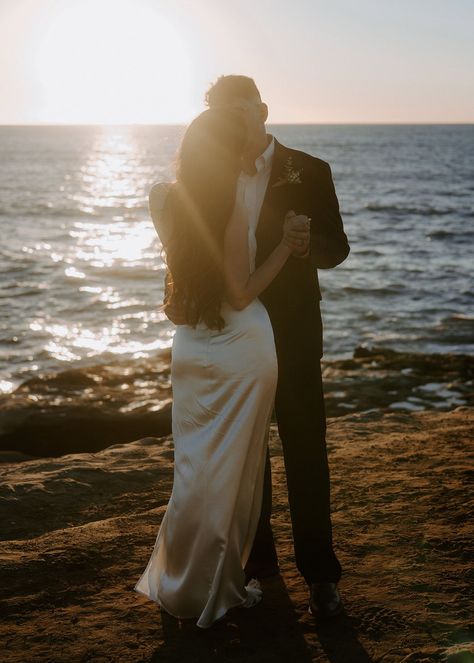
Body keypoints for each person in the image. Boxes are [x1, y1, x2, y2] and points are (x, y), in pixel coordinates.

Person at [163, 75, 351, 619]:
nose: (233, 120)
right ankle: (259, 567)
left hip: (292, 334)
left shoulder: (309, 170)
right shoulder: (210, 174)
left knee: (305, 448)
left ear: (262, 109)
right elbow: (191, 245)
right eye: (222, 111)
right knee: (246, 454)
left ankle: (321, 574)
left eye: (240, 109)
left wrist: (302, 243)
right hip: (231, 337)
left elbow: (336, 249)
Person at [134, 107, 309, 628]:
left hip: (190, 345)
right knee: (236, 473)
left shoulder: (163, 197)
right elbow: (240, 291)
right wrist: (285, 245)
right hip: (242, 346)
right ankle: (214, 588)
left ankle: (179, 580)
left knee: (193, 469)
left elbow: (183, 285)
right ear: (227, 153)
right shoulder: (233, 205)